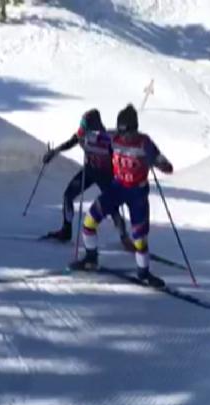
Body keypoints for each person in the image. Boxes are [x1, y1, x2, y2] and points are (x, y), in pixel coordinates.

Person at [71, 105, 174, 288]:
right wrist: (83, 131)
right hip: (117, 188)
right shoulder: (113, 137)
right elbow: (86, 135)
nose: (124, 138)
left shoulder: (144, 143)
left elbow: (168, 167)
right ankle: (91, 258)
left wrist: (157, 162)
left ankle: (144, 273)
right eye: (121, 132)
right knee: (89, 221)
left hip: (137, 193)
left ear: (135, 129)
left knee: (140, 238)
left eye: (127, 133)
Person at [42, 110, 132, 249]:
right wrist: (54, 152)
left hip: (105, 174)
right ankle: (66, 230)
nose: (82, 128)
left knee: (112, 206)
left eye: (85, 124)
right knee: (68, 196)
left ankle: (124, 237)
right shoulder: (82, 134)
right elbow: (71, 142)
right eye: (82, 124)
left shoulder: (109, 137)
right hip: (89, 171)